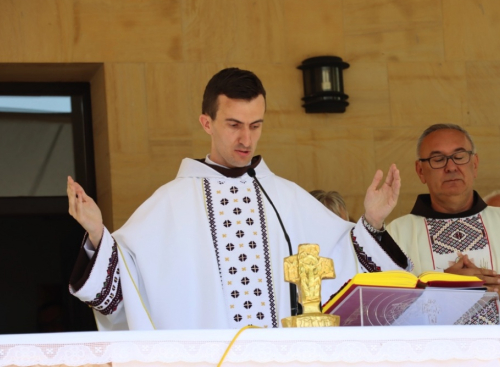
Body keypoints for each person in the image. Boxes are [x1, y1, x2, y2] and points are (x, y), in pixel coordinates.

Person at [67, 68, 408, 331]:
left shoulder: (286, 198)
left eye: (256, 125)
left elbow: (347, 262)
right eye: (234, 124)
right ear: (207, 123)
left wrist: (373, 223)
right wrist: (97, 233)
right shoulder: (170, 203)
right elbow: (119, 288)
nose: (247, 139)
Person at [387, 124, 500, 298]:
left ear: (475, 164)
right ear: (420, 171)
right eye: (438, 160)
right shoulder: (396, 235)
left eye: (459, 156)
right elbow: (382, 309)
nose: (451, 167)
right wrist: (442, 289)